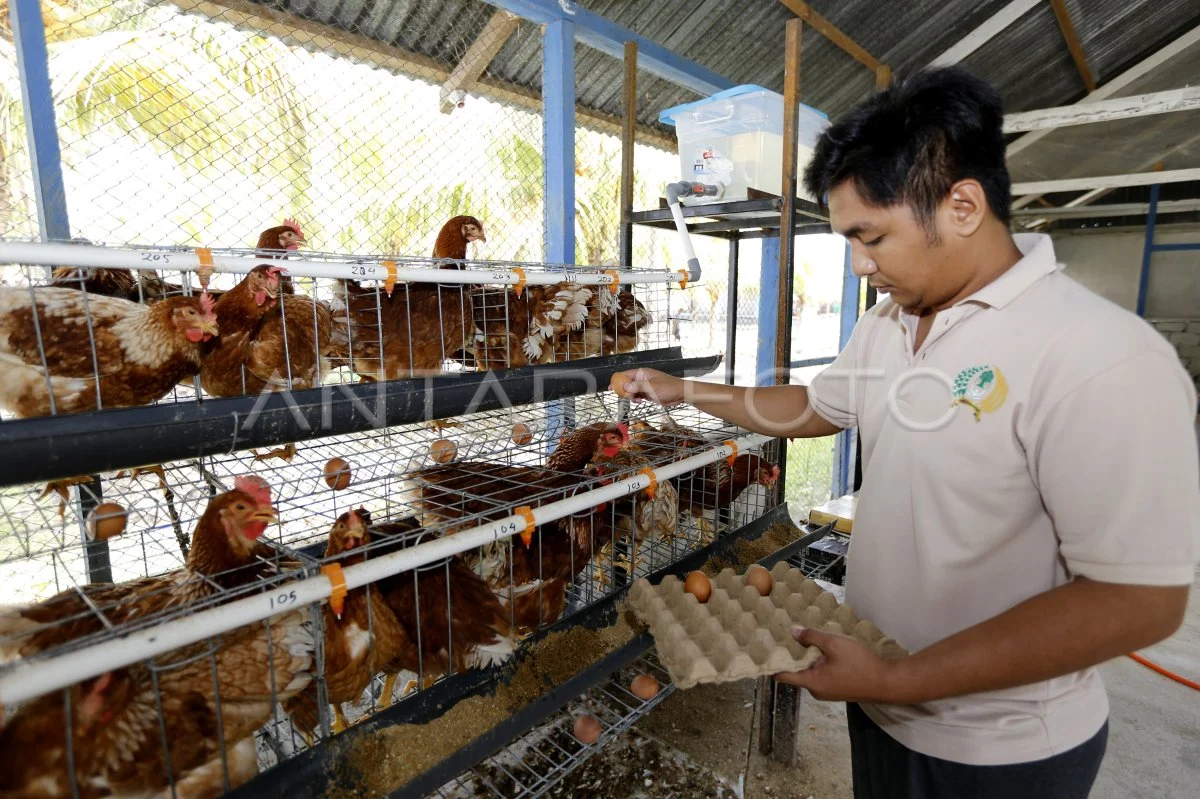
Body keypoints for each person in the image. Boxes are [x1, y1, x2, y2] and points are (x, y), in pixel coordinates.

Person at [612, 65, 1200, 799]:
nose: (860, 263)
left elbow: (1137, 600)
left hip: (999, 754)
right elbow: (814, 409)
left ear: (961, 206)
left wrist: (901, 676)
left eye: (873, 236)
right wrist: (684, 389)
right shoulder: (891, 321)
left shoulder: (1100, 356)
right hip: (878, 702)